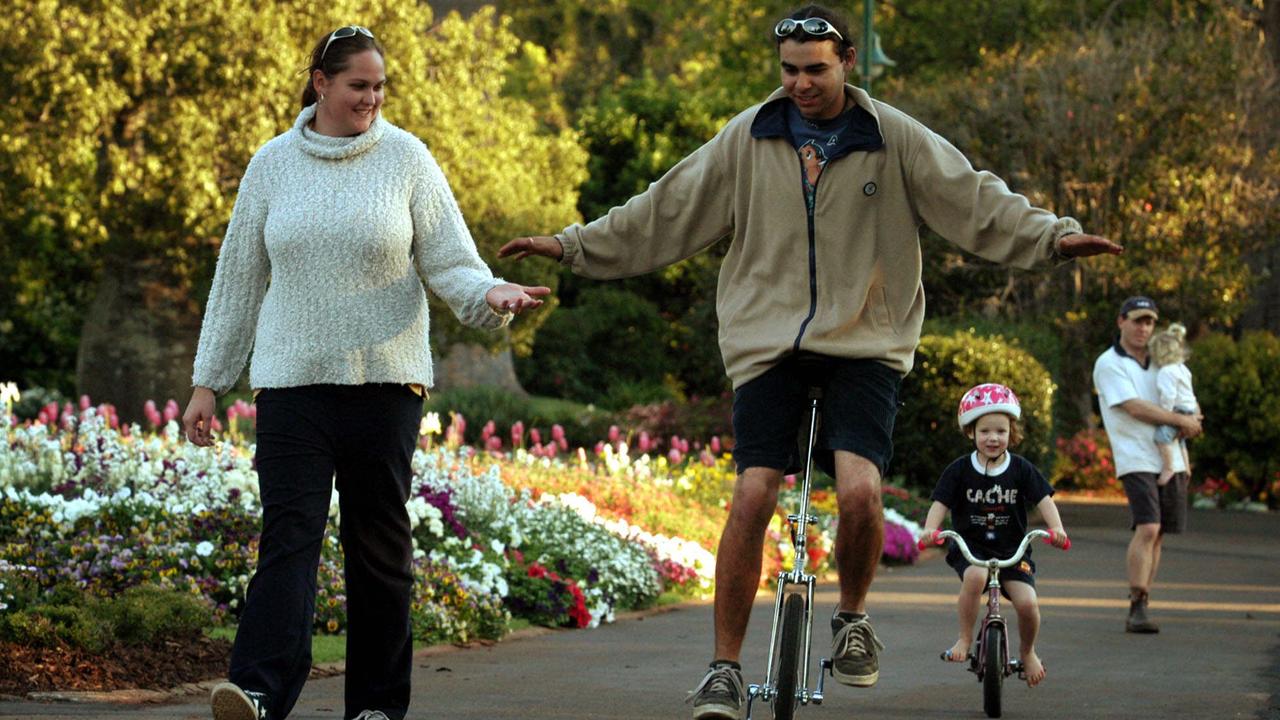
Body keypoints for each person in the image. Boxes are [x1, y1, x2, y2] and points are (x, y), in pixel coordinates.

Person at [499, 5, 1120, 718]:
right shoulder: (748, 136)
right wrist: (571, 245)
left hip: (865, 342)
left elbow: (973, 196)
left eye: (815, 69)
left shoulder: (893, 138)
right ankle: (724, 670)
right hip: (768, 341)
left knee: (859, 492)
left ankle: (853, 619)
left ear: (847, 61)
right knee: (752, 493)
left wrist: (1053, 238)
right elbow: (665, 209)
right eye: (789, 70)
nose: (800, 83)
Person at [181, 25, 549, 720]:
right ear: (322, 84)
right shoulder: (272, 165)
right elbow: (237, 279)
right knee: (289, 537)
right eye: (359, 86)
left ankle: (376, 707)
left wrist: (490, 294)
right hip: (292, 384)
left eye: (380, 87)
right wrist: (210, 380)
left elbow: (450, 259)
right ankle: (257, 691)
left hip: (386, 384)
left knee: (379, 547)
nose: (372, 99)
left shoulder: (407, 159)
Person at [919, 383, 1069, 688]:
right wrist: (930, 530)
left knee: (1028, 604)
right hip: (971, 548)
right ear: (970, 432)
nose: (993, 438)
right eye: (985, 431)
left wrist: (1057, 529)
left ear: (1011, 432)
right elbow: (941, 502)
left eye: (1001, 431)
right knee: (974, 578)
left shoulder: (1021, 469)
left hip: (1012, 550)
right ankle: (963, 639)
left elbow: (1044, 499)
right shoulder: (960, 470)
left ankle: (1028, 652)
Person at [1092, 297, 1202, 635]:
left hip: (1172, 457)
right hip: (1135, 456)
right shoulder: (1110, 363)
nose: (1144, 328)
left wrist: (1192, 419)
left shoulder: (1162, 359)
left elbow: (1184, 395)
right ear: (1121, 321)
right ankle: (1136, 604)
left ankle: (1144, 600)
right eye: (1137, 320)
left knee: (1159, 534)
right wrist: (1181, 419)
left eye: (1150, 322)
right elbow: (1134, 407)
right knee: (1148, 527)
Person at [1148, 323, 1198, 486]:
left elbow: (1169, 395)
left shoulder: (1166, 371)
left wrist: (1166, 413)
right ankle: (1185, 466)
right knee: (1180, 441)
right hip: (1189, 408)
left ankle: (1168, 467)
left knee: (1162, 437)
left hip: (1179, 410)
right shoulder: (1182, 368)